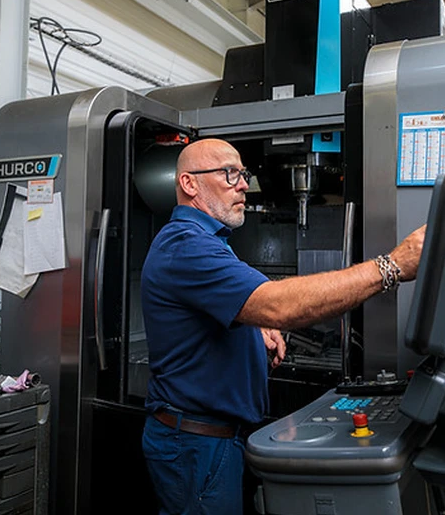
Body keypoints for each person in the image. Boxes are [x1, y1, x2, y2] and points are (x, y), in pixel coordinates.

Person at [140, 137, 426, 515]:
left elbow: (234, 305)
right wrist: (392, 266)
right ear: (190, 184)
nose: (243, 184)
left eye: (243, 173)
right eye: (229, 174)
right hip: (195, 445)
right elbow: (279, 306)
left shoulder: (210, 241)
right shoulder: (187, 246)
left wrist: (250, 323)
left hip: (214, 439)